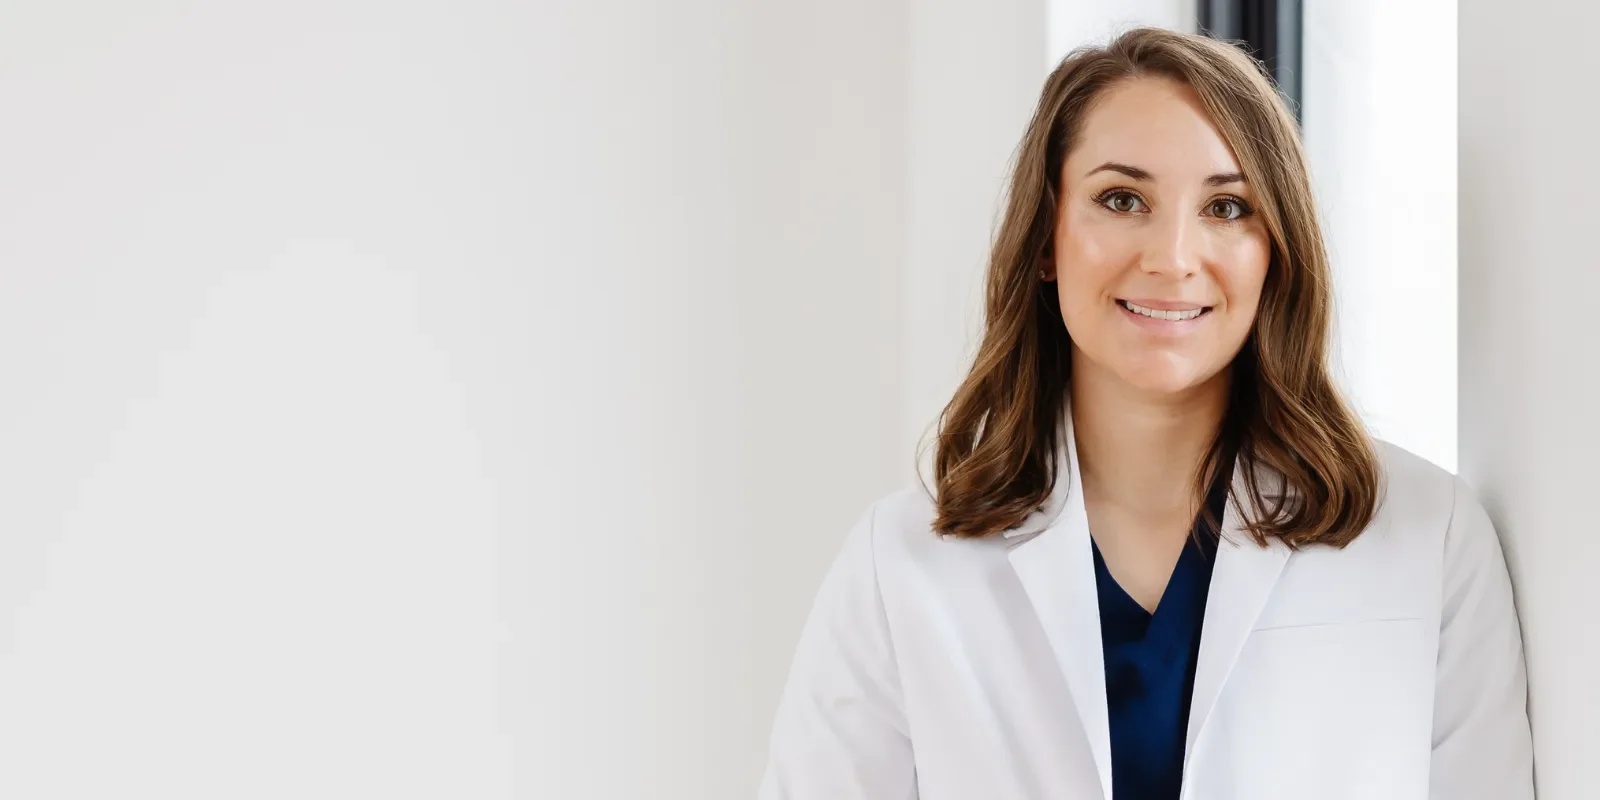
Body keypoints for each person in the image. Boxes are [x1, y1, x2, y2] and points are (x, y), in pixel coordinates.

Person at [757, 26, 1533, 800]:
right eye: (1121, 199)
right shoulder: (898, 568)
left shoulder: (1430, 539)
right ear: (1046, 241)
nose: (1171, 256)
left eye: (1228, 207)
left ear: (1277, 251)